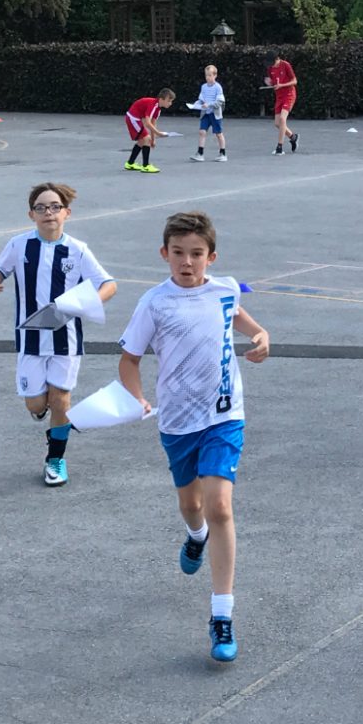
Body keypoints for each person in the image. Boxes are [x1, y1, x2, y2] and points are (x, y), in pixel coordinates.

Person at [117, 211, 270, 662]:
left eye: (197, 254)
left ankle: (221, 616)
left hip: (225, 415)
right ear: (164, 255)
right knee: (192, 505)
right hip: (177, 422)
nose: (188, 262)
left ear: (212, 257)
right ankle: (194, 535)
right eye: (179, 253)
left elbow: (241, 318)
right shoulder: (154, 303)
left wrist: (261, 335)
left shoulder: (224, 289)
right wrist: (139, 398)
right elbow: (128, 360)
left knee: (221, 504)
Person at [0, 183, 117, 486]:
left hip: (66, 340)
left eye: (55, 207)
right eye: (41, 208)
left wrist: (90, 302)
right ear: (31, 214)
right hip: (30, 339)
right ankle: (45, 413)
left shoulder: (78, 250)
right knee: (36, 404)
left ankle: (55, 459)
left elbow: (108, 284)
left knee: (61, 400)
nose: (49, 212)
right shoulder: (19, 245)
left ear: (67, 213)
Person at [124, 88, 176, 173]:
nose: (170, 103)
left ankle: (130, 163)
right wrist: (158, 133)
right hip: (133, 118)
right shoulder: (153, 105)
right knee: (146, 139)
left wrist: (153, 139)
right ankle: (146, 166)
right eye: (169, 101)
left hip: (136, 118)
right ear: (161, 99)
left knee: (142, 141)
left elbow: (153, 123)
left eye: (171, 101)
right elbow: (148, 123)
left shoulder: (158, 109)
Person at [189, 64, 227, 163]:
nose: (208, 77)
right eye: (206, 75)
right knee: (202, 132)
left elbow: (220, 102)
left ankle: (223, 153)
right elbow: (201, 99)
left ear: (215, 75)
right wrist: (196, 104)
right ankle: (200, 153)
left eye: (210, 75)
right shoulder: (203, 87)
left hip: (215, 115)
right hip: (205, 114)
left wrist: (209, 105)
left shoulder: (218, 87)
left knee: (219, 134)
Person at [264, 50, 298, 155]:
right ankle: (293, 137)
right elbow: (273, 80)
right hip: (279, 96)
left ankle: (279, 147)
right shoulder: (270, 68)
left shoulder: (286, 65)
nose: (272, 66)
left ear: (277, 59)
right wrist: (269, 82)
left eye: (273, 63)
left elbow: (294, 81)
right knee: (278, 124)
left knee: (283, 119)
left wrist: (282, 85)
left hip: (289, 94)